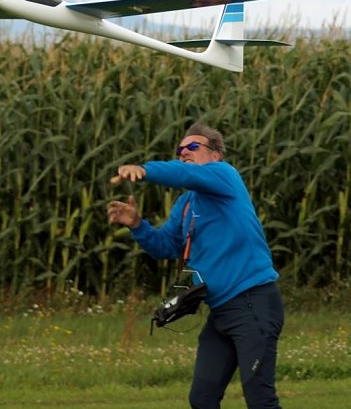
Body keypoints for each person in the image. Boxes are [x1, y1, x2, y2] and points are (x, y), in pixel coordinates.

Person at [108, 123, 284, 409]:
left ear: (215, 155)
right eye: (180, 150)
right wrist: (137, 225)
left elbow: (185, 174)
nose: (184, 153)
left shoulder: (226, 176)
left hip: (254, 304)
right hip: (220, 312)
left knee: (261, 399)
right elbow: (165, 245)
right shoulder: (187, 204)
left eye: (193, 147)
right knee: (202, 400)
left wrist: (146, 170)